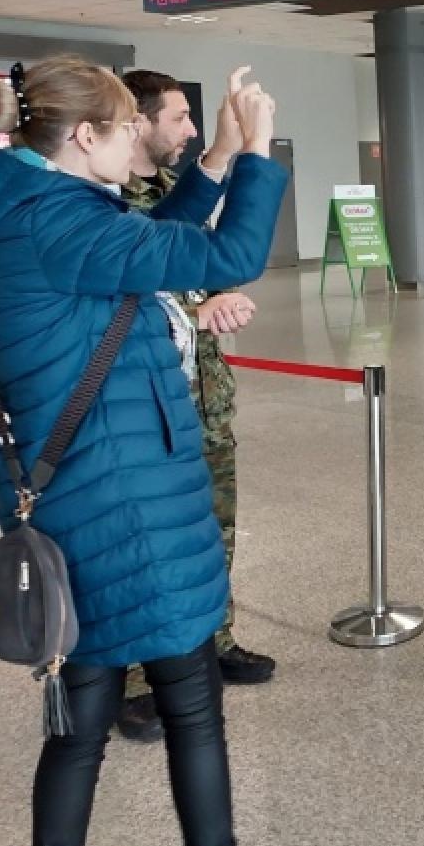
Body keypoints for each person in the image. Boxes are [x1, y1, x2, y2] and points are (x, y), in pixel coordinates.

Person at [0, 57, 304, 846]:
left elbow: (140, 253)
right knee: (192, 705)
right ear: (85, 136)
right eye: (130, 124)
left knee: (79, 721)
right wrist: (255, 147)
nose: (141, 137)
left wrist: (211, 168)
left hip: (71, 501)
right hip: (126, 502)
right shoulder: (61, 223)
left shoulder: (23, 209)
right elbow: (234, 253)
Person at [115, 68, 275, 746]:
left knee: (216, 527)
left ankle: (213, 639)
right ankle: (132, 680)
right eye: (179, 118)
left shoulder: (168, 192)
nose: (189, 130)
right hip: (147, 407)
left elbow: (217, 263)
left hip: (203, 397)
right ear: (136, 122)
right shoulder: (108, 204)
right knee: (145, 545)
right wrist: (198, 300)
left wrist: (213, 297)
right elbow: (136, 289)